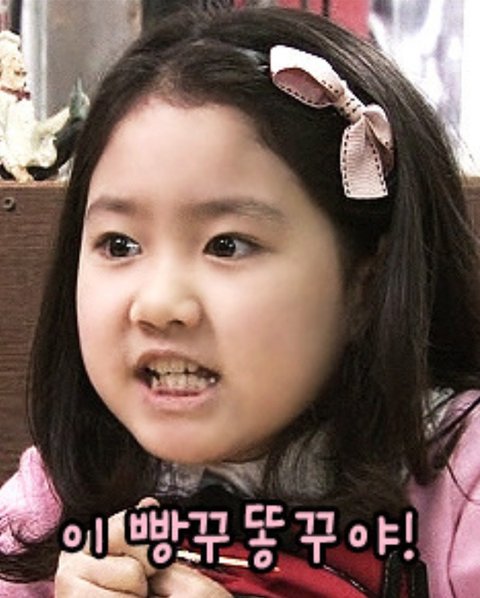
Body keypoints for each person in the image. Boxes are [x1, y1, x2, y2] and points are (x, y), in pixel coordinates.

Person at [0, 5, 479, 597]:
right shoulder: (58, 493)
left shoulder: (459, 480)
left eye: (227, 245)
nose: (159, 304)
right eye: (119, 244)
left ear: (365, 284)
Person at [0, 30, 88, 183]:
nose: (21, 66)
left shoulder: (23, 102)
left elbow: (38, 131)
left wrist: (69, 113)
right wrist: (15, 169)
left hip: (33, 158)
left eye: (20, 60)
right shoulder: (2, 100)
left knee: (78, 127)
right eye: (14, 60)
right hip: (17, 167)